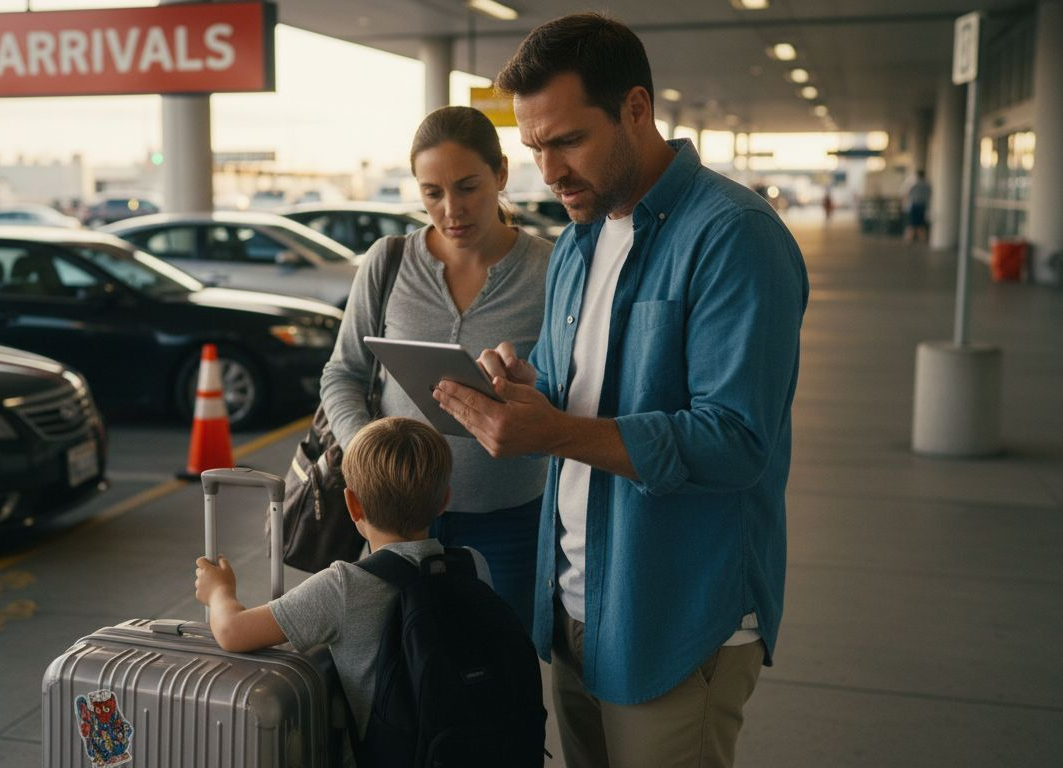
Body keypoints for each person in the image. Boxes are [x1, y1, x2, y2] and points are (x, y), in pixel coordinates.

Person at [432, 13, 809, 768]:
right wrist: (529, 384)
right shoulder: (580, 241)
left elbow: (736, 441)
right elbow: (595, 389)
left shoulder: (733, 235)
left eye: (568, 140)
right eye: (536, 147)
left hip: (675, 618)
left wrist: (552, 433)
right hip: (576, 608)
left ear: (637, 108)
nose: (550, 170)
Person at [320, 105, 552, 633]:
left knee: (498, 683)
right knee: (395, 685)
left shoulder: (550, 269)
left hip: (508, 520)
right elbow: (343, 374)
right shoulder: (389, 260)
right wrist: (368, 458)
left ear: (501, 174)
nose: (451, 210)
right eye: (432, 193)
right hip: (396, 523)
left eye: (468, 187)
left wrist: (532, 393)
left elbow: (572, 393)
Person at [194, 416, 491, 766]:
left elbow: (232, 631)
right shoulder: (473, 565)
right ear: (444, 500)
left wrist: (219, 592)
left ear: (353, 505)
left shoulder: (344, 586)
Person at [904, 170, 932, 242]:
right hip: (923, 205)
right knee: (921, 223)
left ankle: (909, 239)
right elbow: (929, 195)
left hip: (915, 205)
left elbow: (908, 194)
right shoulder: (927, 185)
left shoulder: (915, 185)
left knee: (912, 223)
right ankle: (922, 239)